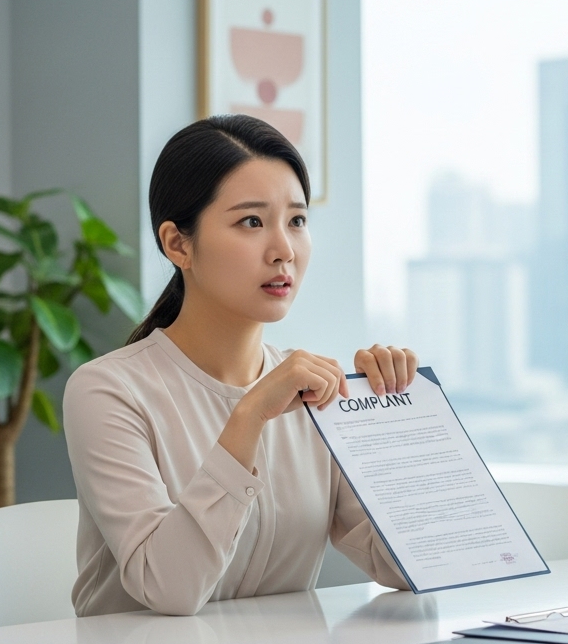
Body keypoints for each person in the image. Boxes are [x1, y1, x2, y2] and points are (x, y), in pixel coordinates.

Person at [64, 115, 418, 616]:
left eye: (296, 220)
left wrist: (392, 422)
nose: (284, 251)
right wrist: (249, 416)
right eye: (251, 221)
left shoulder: (318, 390)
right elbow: (170, 589)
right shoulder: (106, 391)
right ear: (177, 244)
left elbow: (410, 566)